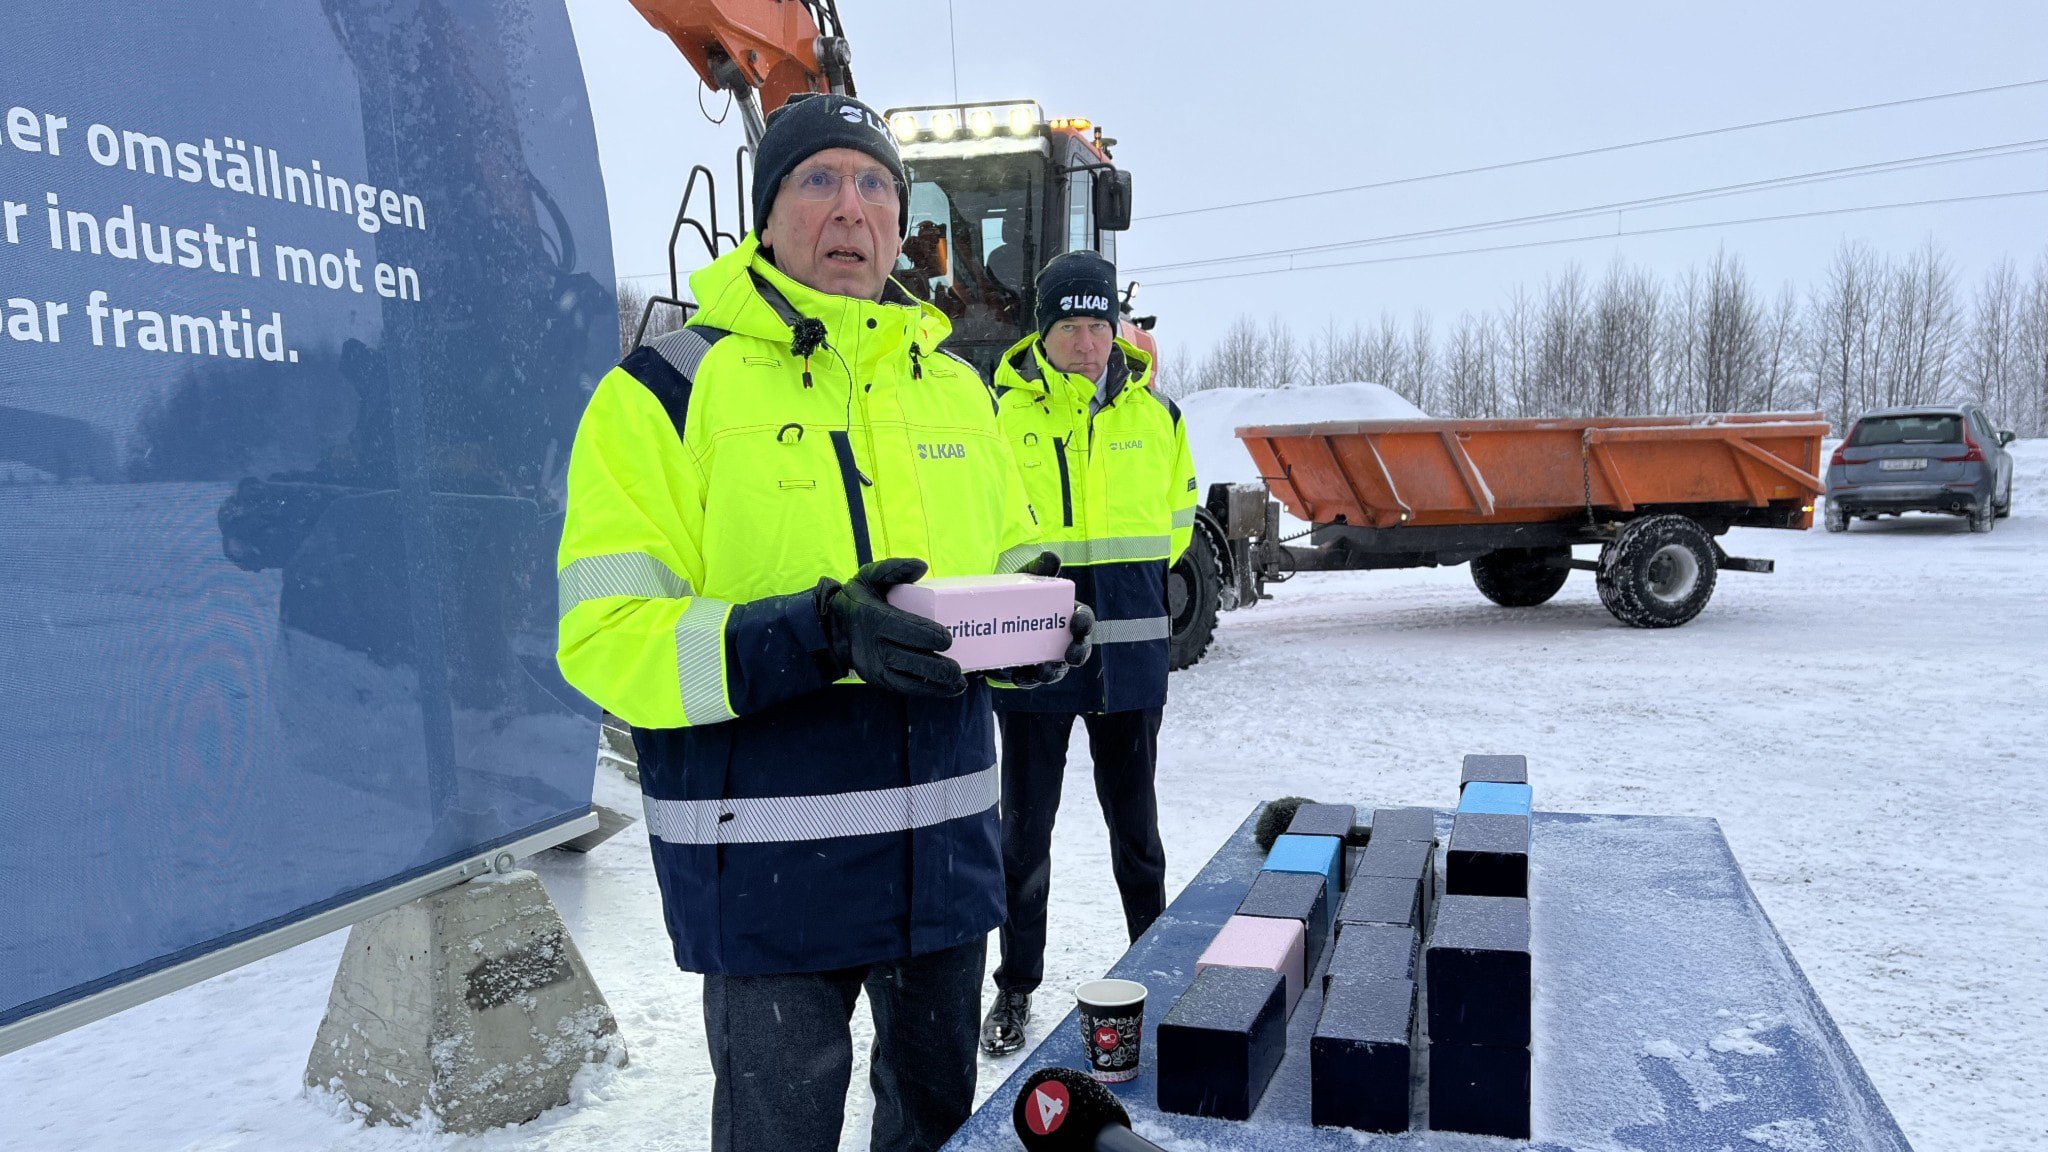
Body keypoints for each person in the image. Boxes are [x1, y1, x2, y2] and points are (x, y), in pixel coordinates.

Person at [554, 94, 1091, 1152]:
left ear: (901, 222)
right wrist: (813, 635)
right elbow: (604, 639)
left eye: (874, 185)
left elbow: (1015, 550)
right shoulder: (662, 393)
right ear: (765, 216)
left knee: (941, 1130)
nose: (850, 207)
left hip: (941, 873)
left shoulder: (957, 393)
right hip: (766, 883)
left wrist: (1039, 625)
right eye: (818, 180)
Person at [979, 250, 1197, 1056]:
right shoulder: (1000, 418)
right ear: (1043, 330)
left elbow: (1175, 531)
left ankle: (1161, 972)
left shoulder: (1159, 418)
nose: (1087, 342)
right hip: (1034, 662)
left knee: (1136, 834)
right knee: (1023, 838)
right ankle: (1014, 989)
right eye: (1070, 326)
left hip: (1134, 668)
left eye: (1098, 325)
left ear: (1117, 329)